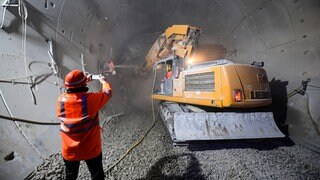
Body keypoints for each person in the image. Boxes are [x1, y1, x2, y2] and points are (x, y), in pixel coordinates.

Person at [56, 70, 112, 180]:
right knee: (97, 175)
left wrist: (85, 80)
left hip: (70, 150)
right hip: (90, 149)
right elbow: (108, 92)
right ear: (83, 85)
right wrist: (103, 82)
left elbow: (74, 93)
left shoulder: (60, 100)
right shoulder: (90, 100)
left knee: (70, 177)